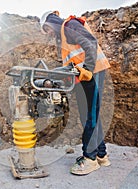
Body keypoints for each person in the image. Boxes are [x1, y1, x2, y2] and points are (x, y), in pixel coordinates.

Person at [39, 11, 111, 175]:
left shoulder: (69, 26)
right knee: (89, 114)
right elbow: (72, 62)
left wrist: (88, 70)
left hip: (93, 72)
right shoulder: (64, 35)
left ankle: (90, 158)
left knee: (90, 114)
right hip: (83, 76)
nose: (49, 34)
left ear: (50, 22)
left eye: (47, 29)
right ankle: (101, 155)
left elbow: (90, 44)